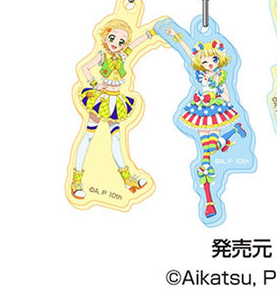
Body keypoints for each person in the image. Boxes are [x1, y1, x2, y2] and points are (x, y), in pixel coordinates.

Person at [71, 18, 156, 199]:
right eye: (113, 38)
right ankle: (76, 179)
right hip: (101, 100)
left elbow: (135, 45)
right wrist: (95, 84)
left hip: (115, 102)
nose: (116, 44)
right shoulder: (102, 56)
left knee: (116, 138)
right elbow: (85, 68)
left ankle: (127, 178)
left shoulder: (122, 56)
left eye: (121, 41)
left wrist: (151, 34)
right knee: (88, 136)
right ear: (105, 37)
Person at [166, 28, 246, 217]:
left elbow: (226, 94)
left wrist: (221, 98)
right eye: (205, 61)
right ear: (200, 63)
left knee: (209, 152)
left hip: (215, 110)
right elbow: (189, 53)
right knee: (207, 150)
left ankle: (209, 201)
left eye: (214, 60)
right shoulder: (200, 74)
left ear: (219, 60)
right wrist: (175, 36)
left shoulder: (220, 76)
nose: (209, 64)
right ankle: (209, 201)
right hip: (201, 111)